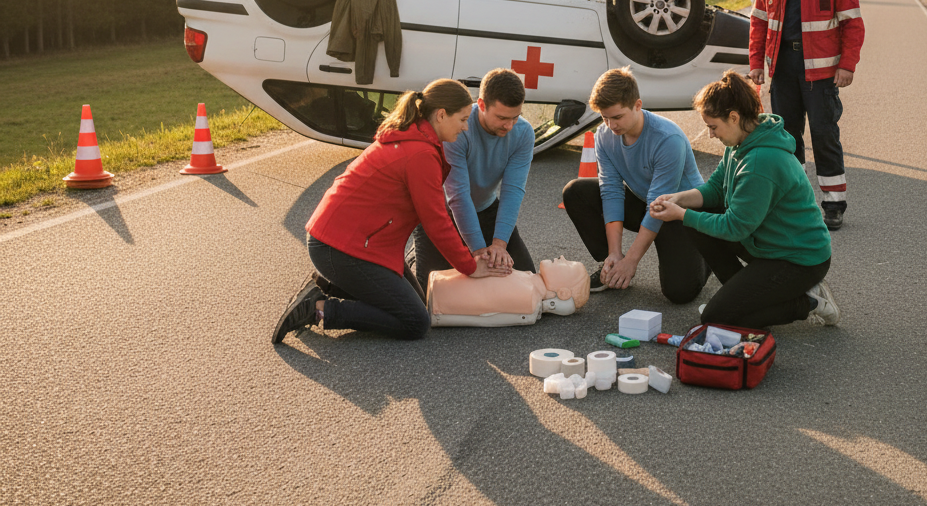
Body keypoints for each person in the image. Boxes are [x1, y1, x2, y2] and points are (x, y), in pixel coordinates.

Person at [271, 79, 510, 344]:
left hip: (357, 244)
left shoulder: (417, 137)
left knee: (419, 304)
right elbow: (436, 221)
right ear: (441, 115)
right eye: (463, 119)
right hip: (340, 248)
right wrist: (469, 267)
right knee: (415, 321)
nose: (466, 127)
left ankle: (328, 285)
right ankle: (318, 308)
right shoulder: (419, 153)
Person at [650, 70, 839, 329]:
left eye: (713, 127)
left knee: (715, 318)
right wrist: (679, 199)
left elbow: (735, 227)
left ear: (734, 117)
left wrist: (681, 214)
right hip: (769, 245)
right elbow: (715, 191)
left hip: (799, 260)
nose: (711, 135)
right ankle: (747, 298)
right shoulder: (741, 142)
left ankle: (809, 302)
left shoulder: (760, 162)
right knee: (696, 221)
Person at [748, 0, 865, 231]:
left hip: (822, 72)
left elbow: (853, 25)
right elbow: (758, 23)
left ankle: (833, 205)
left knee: (825, 135)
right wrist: (757, 63)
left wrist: (847, 65)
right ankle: (794, 203)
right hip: (783, 69)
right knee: (787, 138)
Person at [561, 67, 710, 302]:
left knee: (680, 293)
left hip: (682, 212)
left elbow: (660, 206)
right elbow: (610, 191)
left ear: (637, 105)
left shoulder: (667, 139)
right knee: (575, 192)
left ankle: (708, 251)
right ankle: (611, 265)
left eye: (617, 117)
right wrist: (617, 254)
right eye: (604, 117)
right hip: (647, 202)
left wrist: (633, 261)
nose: (611, 125)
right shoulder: (603, 136)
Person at [411, 68, 536, 288]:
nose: (509, 125)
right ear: (482, 105)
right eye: (502, 118)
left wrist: (499, 245)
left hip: (486, 209)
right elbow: (458, 195)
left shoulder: (524, 133)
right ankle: (414, 254)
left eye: (515, 117)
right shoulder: (459, 129)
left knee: (527, 278)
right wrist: (478, 252)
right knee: (427, 290)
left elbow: (513, 191)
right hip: (442, 212)